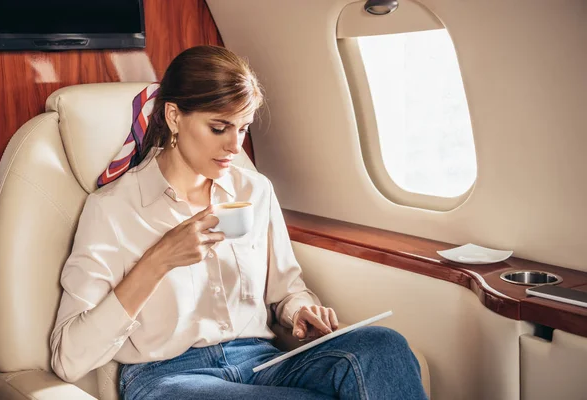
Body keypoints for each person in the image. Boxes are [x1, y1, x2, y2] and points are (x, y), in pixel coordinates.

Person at [50, 45, 427, 400]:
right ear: (174, 116)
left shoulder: (254, 190)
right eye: (219, 128)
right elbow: (69, 357)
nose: (235, 146)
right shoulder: (113, 210)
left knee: (384, 347)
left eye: (243, 128)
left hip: (263, 362)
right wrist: (158, 261)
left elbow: (285, 291)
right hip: (170, 377)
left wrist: (300, 311)